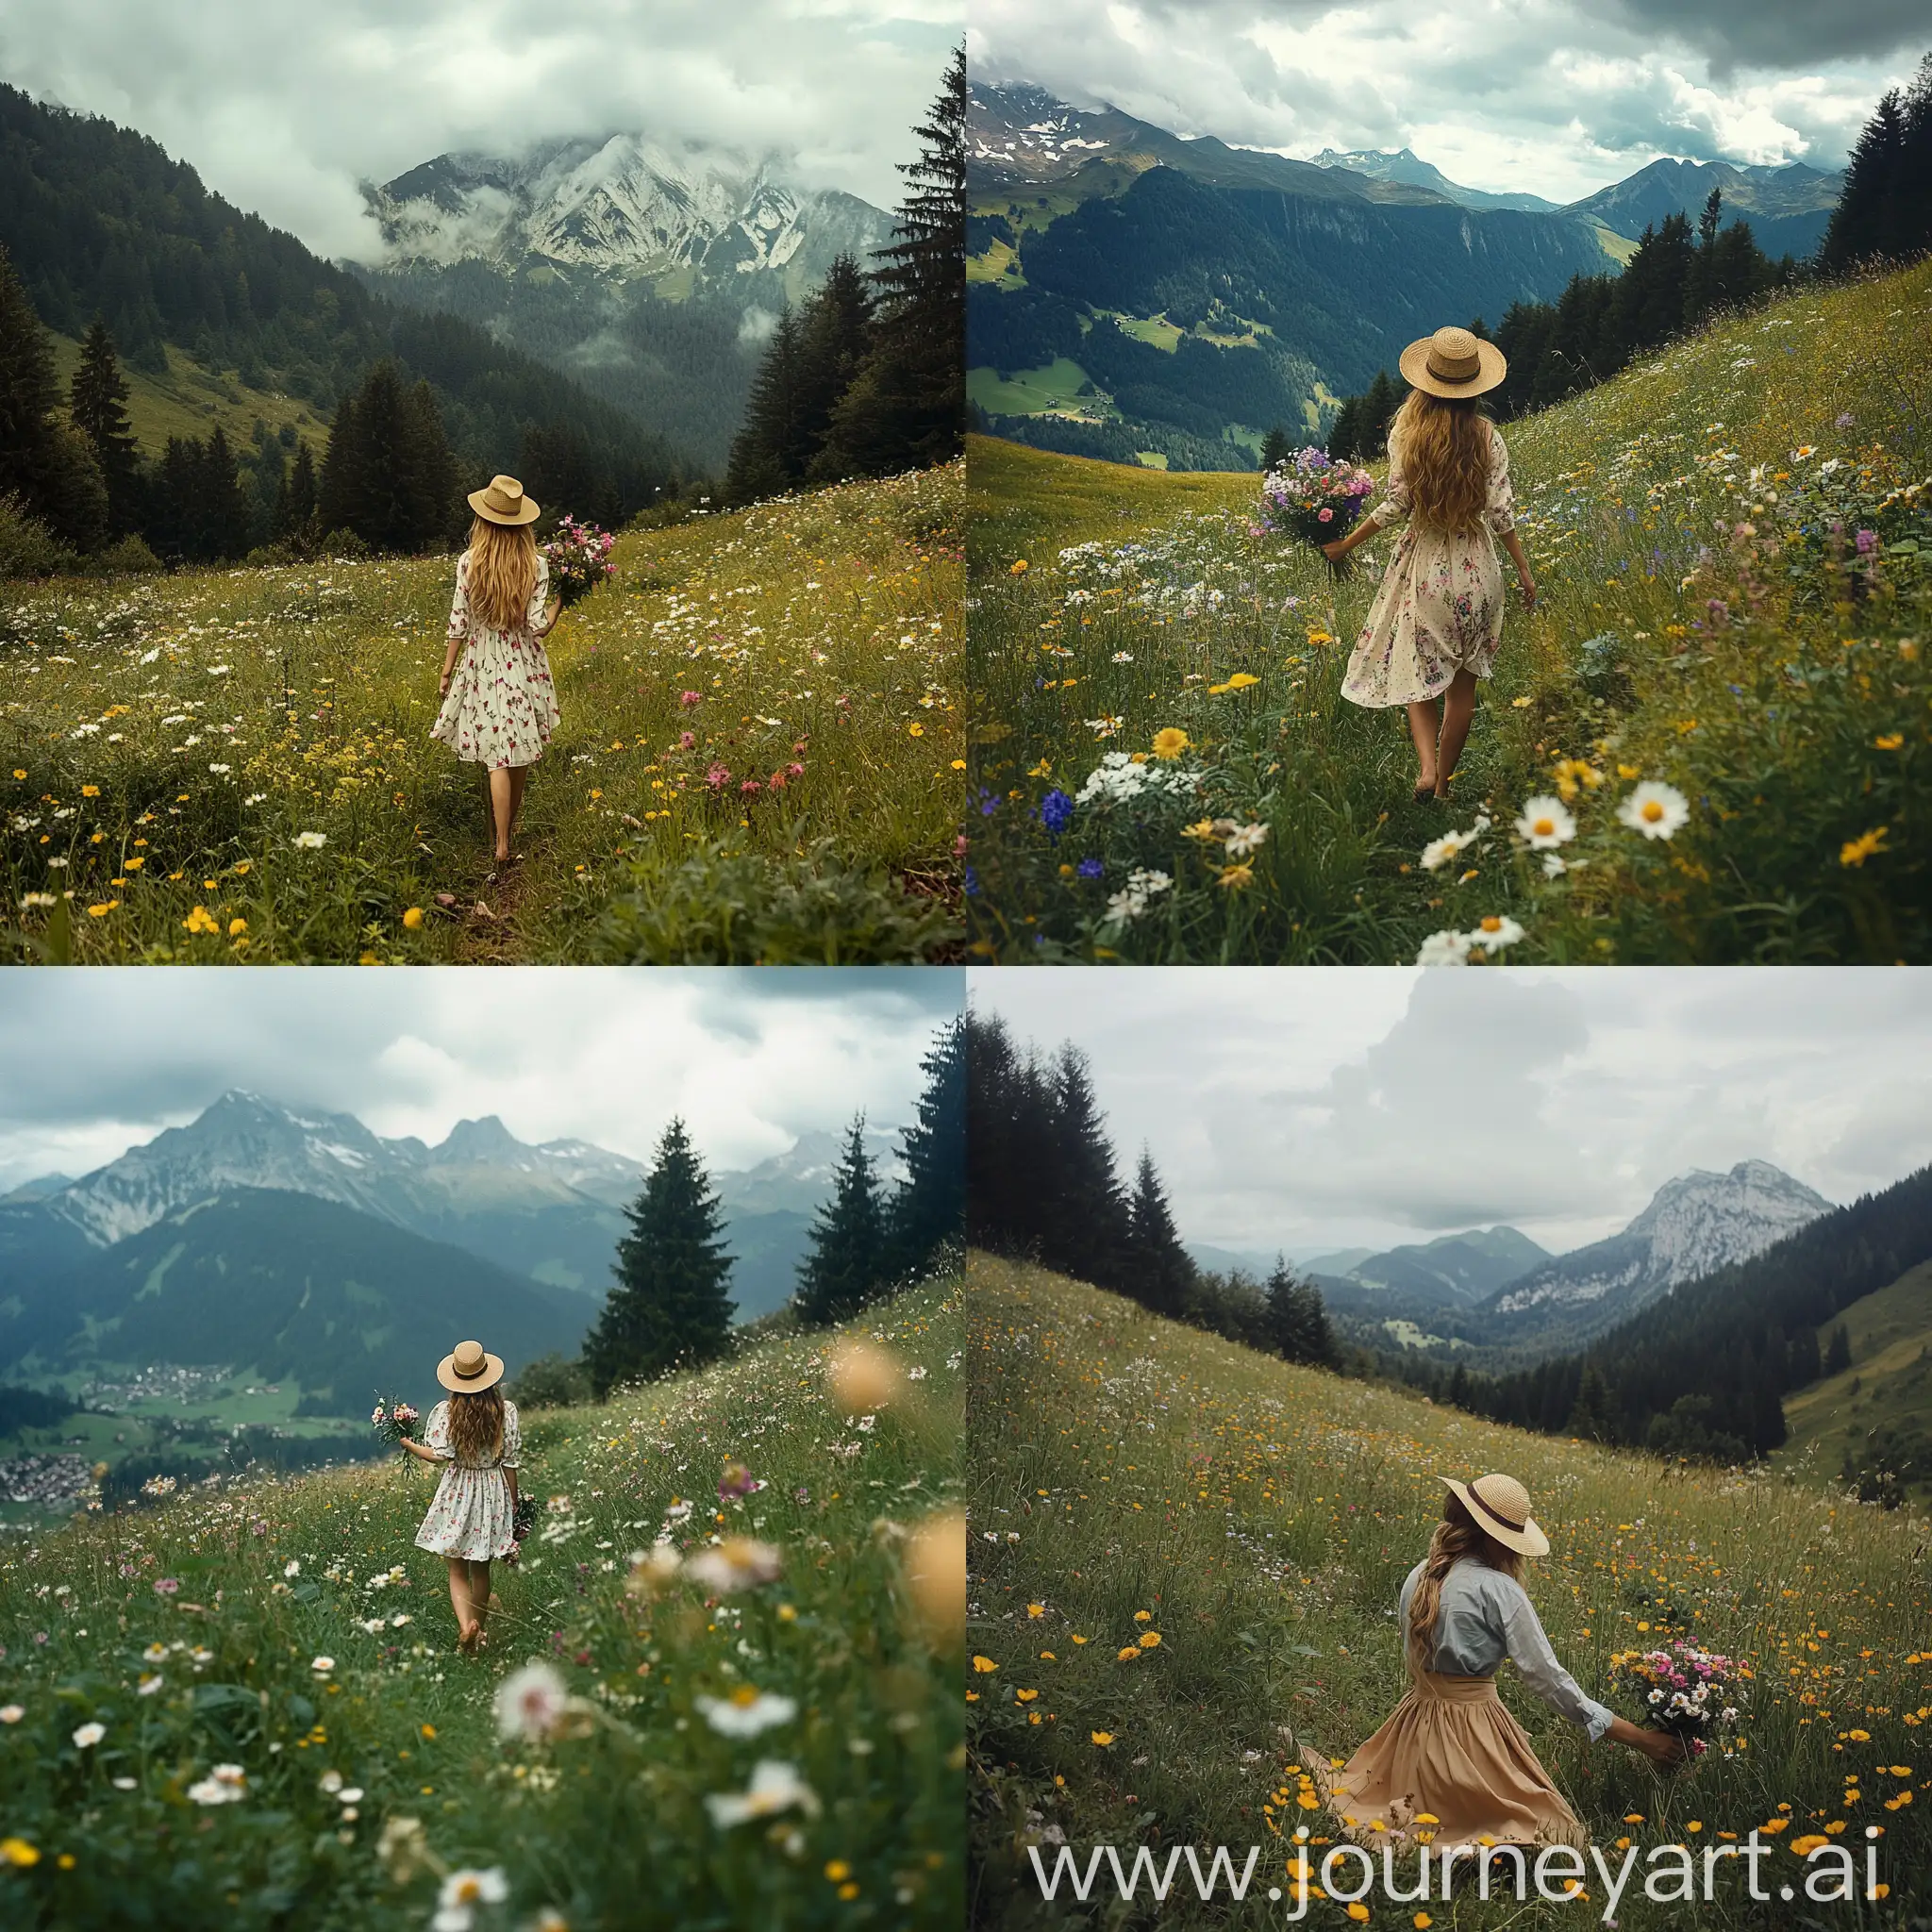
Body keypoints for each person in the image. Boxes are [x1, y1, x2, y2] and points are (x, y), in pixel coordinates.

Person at [1299, 1473, 1682, 1857]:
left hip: (1414, 1726)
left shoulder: (1420, 1575)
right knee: (1551, 1830)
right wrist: (1638, 1737)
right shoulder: (1499, 1590)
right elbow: (1548, 1679)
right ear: (1501, 1540)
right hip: (1472, 1730)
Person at [1321, 328, 1537, 803]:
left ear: (1426, 382)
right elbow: (1501, 512)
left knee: (1416, 670)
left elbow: (1396, 505)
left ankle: (1423, 768)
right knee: (1463, 691)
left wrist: (1347, 545)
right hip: (1480, 571)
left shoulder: (1410, 436)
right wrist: (1522, 568)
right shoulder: (1488, 437)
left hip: (1427, 574)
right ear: (1475, 385)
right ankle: (1442, 786)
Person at [431, 475, 561, 868]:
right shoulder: (535, 564)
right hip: (523, 663)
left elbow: (460, 620)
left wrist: (447, 670)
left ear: (484, 520)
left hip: (482, 661)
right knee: (517, 751)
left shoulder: (470, 562)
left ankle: (500, 842)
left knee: (496, 758)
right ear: (522, 522)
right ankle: (509, 831)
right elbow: (538, 625)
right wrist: (560, 605)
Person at [399, 1338, 521, 1655]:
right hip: (492, 1491)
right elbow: (509, 1462)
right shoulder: (505, 1412)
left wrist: (409, 1445)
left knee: (456, 1570)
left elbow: (439, 1455)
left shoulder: (447, 1412)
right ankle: (478, 1633)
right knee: (481, 1568)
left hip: (458, 1491)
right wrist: (514, 1502)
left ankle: (466, 1626)